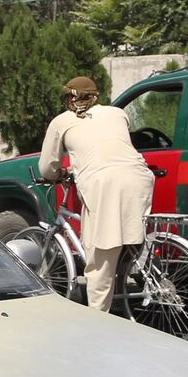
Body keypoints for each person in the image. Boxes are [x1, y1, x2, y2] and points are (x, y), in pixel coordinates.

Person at [39, 75, 153, 311]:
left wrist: (57, 174)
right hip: (139, 177)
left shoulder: (61, 122)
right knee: (129, 235)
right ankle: (130, 280)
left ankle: (98, 319)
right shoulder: (117, 113)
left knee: (99, 259)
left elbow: (46, 168)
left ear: (70, 98)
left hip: (104, 185)